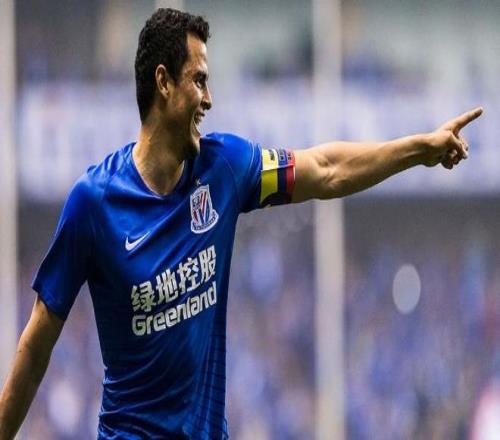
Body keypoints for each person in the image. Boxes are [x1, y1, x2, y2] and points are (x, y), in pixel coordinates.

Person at [0, 7, 482, 440]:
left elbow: (325, 169)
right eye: (199, 80)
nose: (209, 99)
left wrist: (417, 150)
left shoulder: (225, 167)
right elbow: (37, 343)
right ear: (163, 82)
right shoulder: (93, 202)